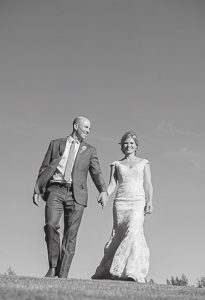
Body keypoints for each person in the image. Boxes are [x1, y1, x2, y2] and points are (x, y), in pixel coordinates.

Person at [33, 116, 108, 278]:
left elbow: (96, 171)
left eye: (89, 128)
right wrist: (38, 189)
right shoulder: (55, 144)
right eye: (86, 127)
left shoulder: (90, 150)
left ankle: (63, 274)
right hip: (56, 190)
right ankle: (53, 266)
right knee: (51, 225)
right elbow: (44, 167)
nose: (88, 131)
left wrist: (103, 190)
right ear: (76, 126)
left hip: (77, 195)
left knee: (70, 235)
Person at [93, 131, 153, 283]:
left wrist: (150, 201)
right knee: (119, 235)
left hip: (138, 201)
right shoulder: (116, 164)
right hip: (120, 203)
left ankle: (130, 271)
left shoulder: (144, 163)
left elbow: (148, 184)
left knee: (133, 232)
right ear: (122, 146)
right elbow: (113, 184)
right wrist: (104, 193)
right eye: (126, 143)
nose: (129, 145)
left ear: (136, 146)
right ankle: (111, 269)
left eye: (132, 143)